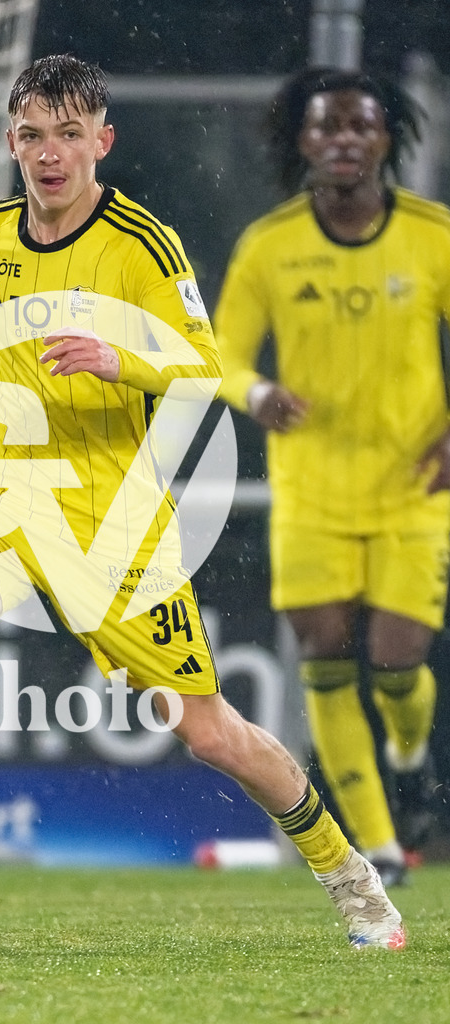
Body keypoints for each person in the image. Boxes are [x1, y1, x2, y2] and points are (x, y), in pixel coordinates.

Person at [0, 54, 405, 950]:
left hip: (112, 508)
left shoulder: (143, 245)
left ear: (102, 142)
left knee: (207, 731)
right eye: (33, 135)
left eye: (69, 135)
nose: (50, 154)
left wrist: (120, 359)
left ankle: (350, 876)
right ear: (10, 142)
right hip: (7, 472)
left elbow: (202, 363)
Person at [215, 67, 450, 888]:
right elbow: (221, 353)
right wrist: (257, 392)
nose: (344, 139)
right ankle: (379, 847)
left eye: (361, 126)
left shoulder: (431, 235)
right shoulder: (271, 245)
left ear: (387, 139)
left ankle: (409, 750)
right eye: (327, 126)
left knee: (397, 661)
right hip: (311, 490)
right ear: (303, 141)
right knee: (323, 651)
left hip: (413, 488)